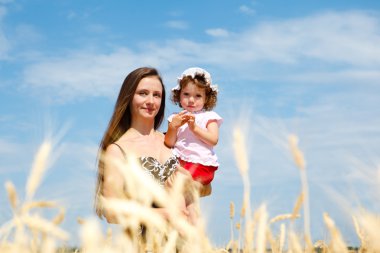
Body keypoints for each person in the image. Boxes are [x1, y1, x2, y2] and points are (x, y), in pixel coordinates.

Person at [94, 67, 192, 225]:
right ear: (129, 97)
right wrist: (166, 214)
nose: (151, 102)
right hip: (147, 246)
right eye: (143, 93)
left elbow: (203, 189)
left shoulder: (174, 141)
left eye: (157, 95)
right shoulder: (118, 150)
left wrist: (191, 184)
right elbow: (111, 212)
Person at [164, 67, 223, 196]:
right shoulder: (175, 118)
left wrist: (195, 129)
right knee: (171, 186)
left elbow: (213, 139)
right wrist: (173, 127)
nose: (191, 100)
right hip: (179, 161)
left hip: (201, 164)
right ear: (178, 95)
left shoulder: (209, 117)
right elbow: (169, 143)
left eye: (197, 96)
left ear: (206, 98)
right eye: (186, 94)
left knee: (181, 187)